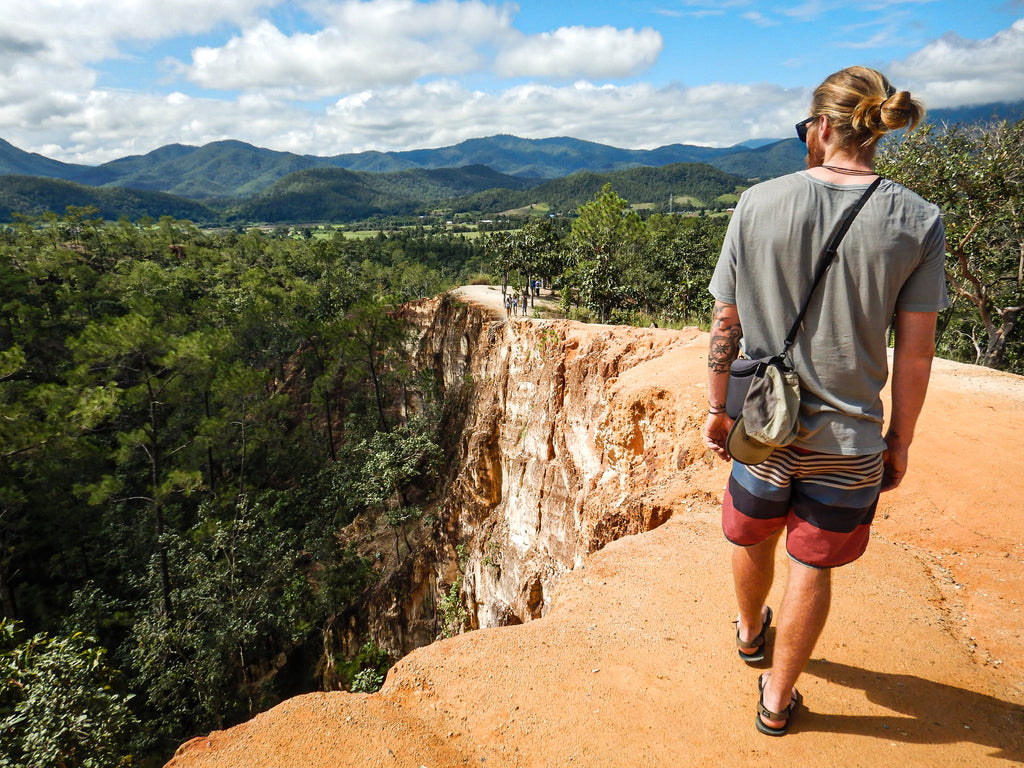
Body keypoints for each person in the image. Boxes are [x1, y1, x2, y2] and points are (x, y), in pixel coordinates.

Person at [703, 66, 948, 736]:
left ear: (821, 127)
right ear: (875, 129)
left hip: (762, 424)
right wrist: (901, 439)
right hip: (849, 438)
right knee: (811, 563)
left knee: (751, 532)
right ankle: (777, 702)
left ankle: (751, 631)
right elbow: (917, 353)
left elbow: (726, 324)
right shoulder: (919, 220)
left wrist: (718, 408)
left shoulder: (757, 202)